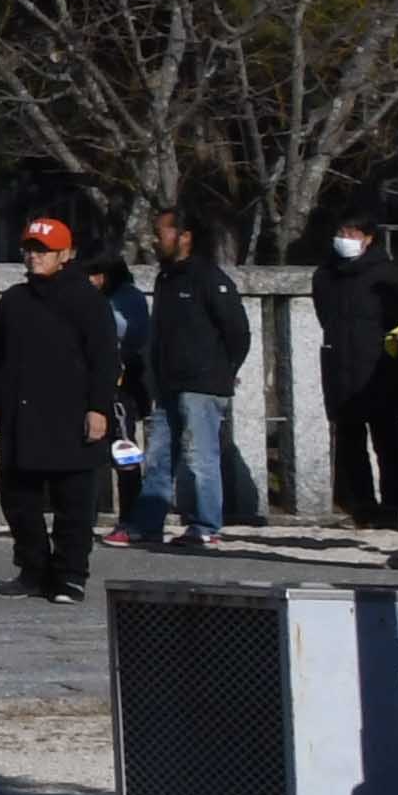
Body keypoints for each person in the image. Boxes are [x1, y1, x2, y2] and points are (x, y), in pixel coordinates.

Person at [0, 214, 124, 602]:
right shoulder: (13, 301)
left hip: (71, 417)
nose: (34, 257)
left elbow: (104, 359)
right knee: (18, 500)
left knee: (74, 503)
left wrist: (99, 409)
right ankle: (32, 569)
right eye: (29, 249)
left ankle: (70, 575)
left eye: (43, 251)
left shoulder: (87, 300)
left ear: (66, 254)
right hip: (19, 417)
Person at [134, 207, 252, 554]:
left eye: (162, 232)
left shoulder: (208, 277)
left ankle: (205, 525)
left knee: (201, 456)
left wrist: (223, 371)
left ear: (184, 237)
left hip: (202, 384)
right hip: (168, 381)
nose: (156, 239)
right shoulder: (166, 278)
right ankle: (148, 523)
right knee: (158, 455)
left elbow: (238, 331)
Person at [312, 212, 398, 532]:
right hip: (340, 366)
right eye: (342, 231)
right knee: (349, 441)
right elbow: (324, 315)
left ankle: (393, 505)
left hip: (380, 369)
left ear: (369, 238)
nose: (346, 238)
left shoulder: (386, 274)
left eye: (353, 233)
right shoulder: (326, 275)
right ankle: (362, 506)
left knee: (387, 441)